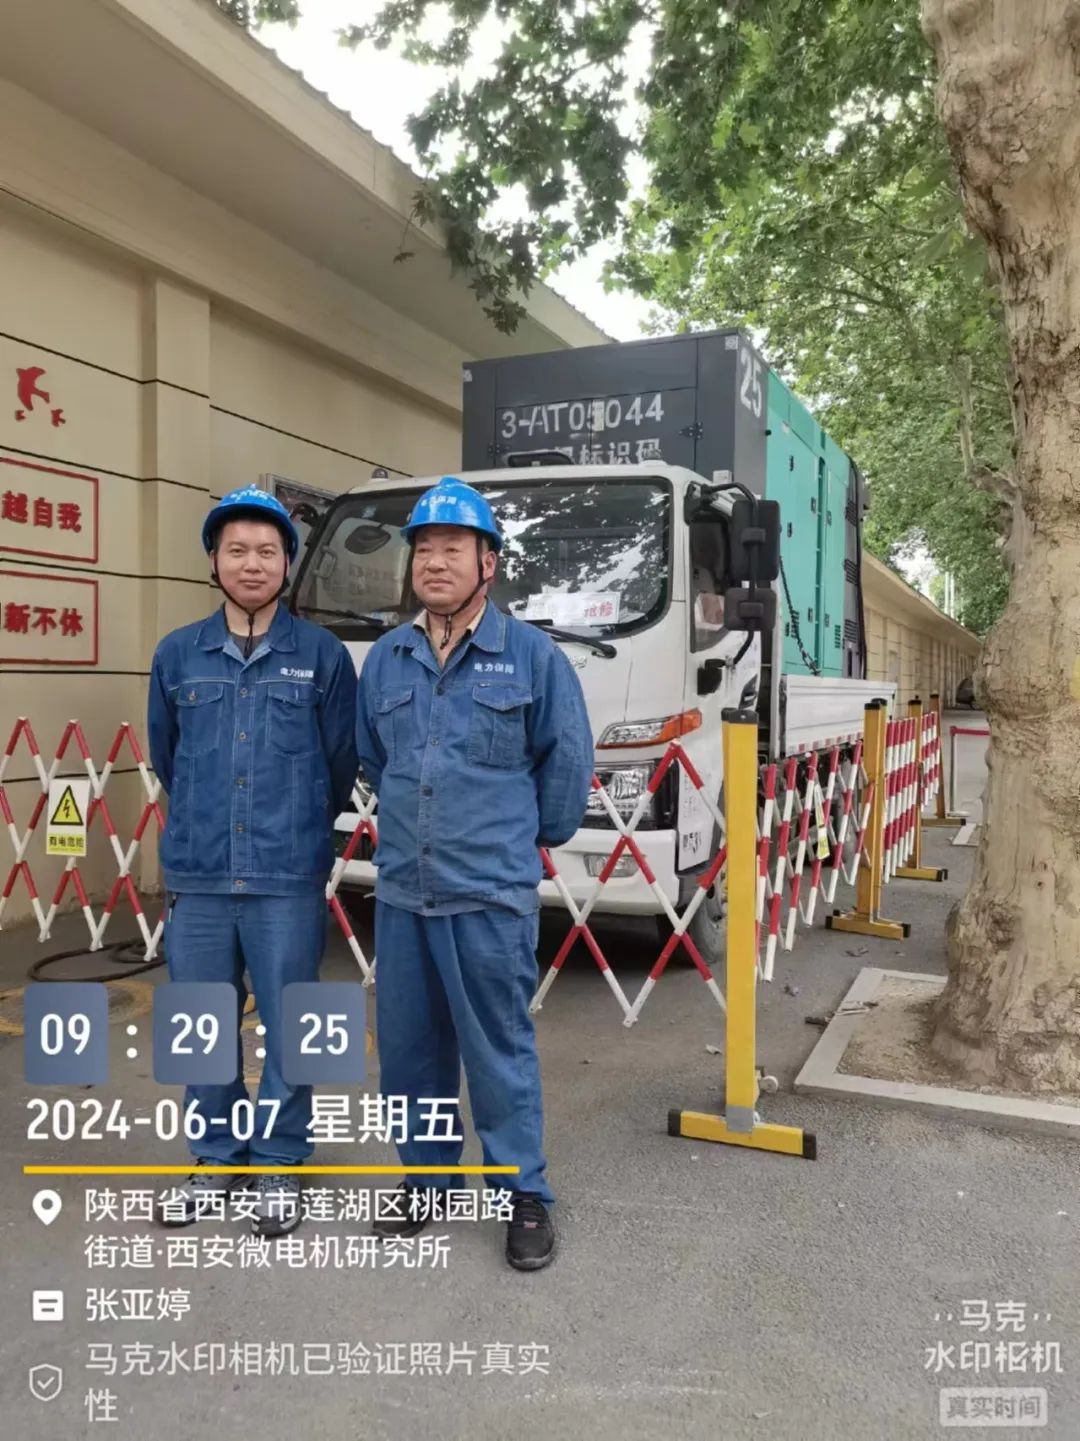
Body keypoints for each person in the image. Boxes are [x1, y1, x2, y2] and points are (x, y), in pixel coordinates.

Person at [355, 477, 593, 1271]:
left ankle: (522, 1193)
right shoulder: (387, 660)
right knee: (410, 1051)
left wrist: (506, 840)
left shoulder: (531, 657)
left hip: (489, 892)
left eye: (452, 547)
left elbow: (565, 773)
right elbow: (374, 757)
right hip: (403, 890)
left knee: (498, 1050)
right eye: (423, 548)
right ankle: (427, 1179)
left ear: (488, 562)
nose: (434, 561)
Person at [147, 486, 357, 1235]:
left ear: (288, 564)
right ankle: (215, 1154)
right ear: (213, 561)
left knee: (293, 1024)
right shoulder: (177, 654)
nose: (252, 563)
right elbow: (167, 756)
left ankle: (280, 1157)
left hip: (286, 873)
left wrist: (292, 826)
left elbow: (340, 763)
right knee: (200, 1024)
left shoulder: (323, 656)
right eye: (236, 549)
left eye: (268, 550)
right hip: (200, 872)